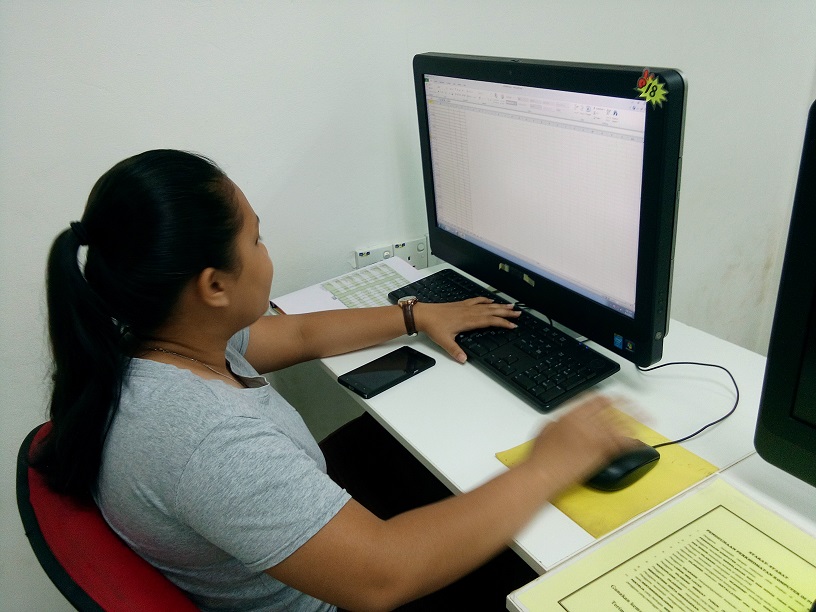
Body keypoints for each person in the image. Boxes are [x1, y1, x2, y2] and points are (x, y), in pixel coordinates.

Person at [35, 149, 633, 611]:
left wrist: (415, 315)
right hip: (341, 596)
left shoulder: (155, 342)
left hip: (297, 553)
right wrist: (551, 463)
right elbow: (383, 578)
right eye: (256, 239)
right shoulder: (205, 439)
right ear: (213, 286)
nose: (266, 251)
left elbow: (298, 334)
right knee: (559, 560)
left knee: (430, 459)